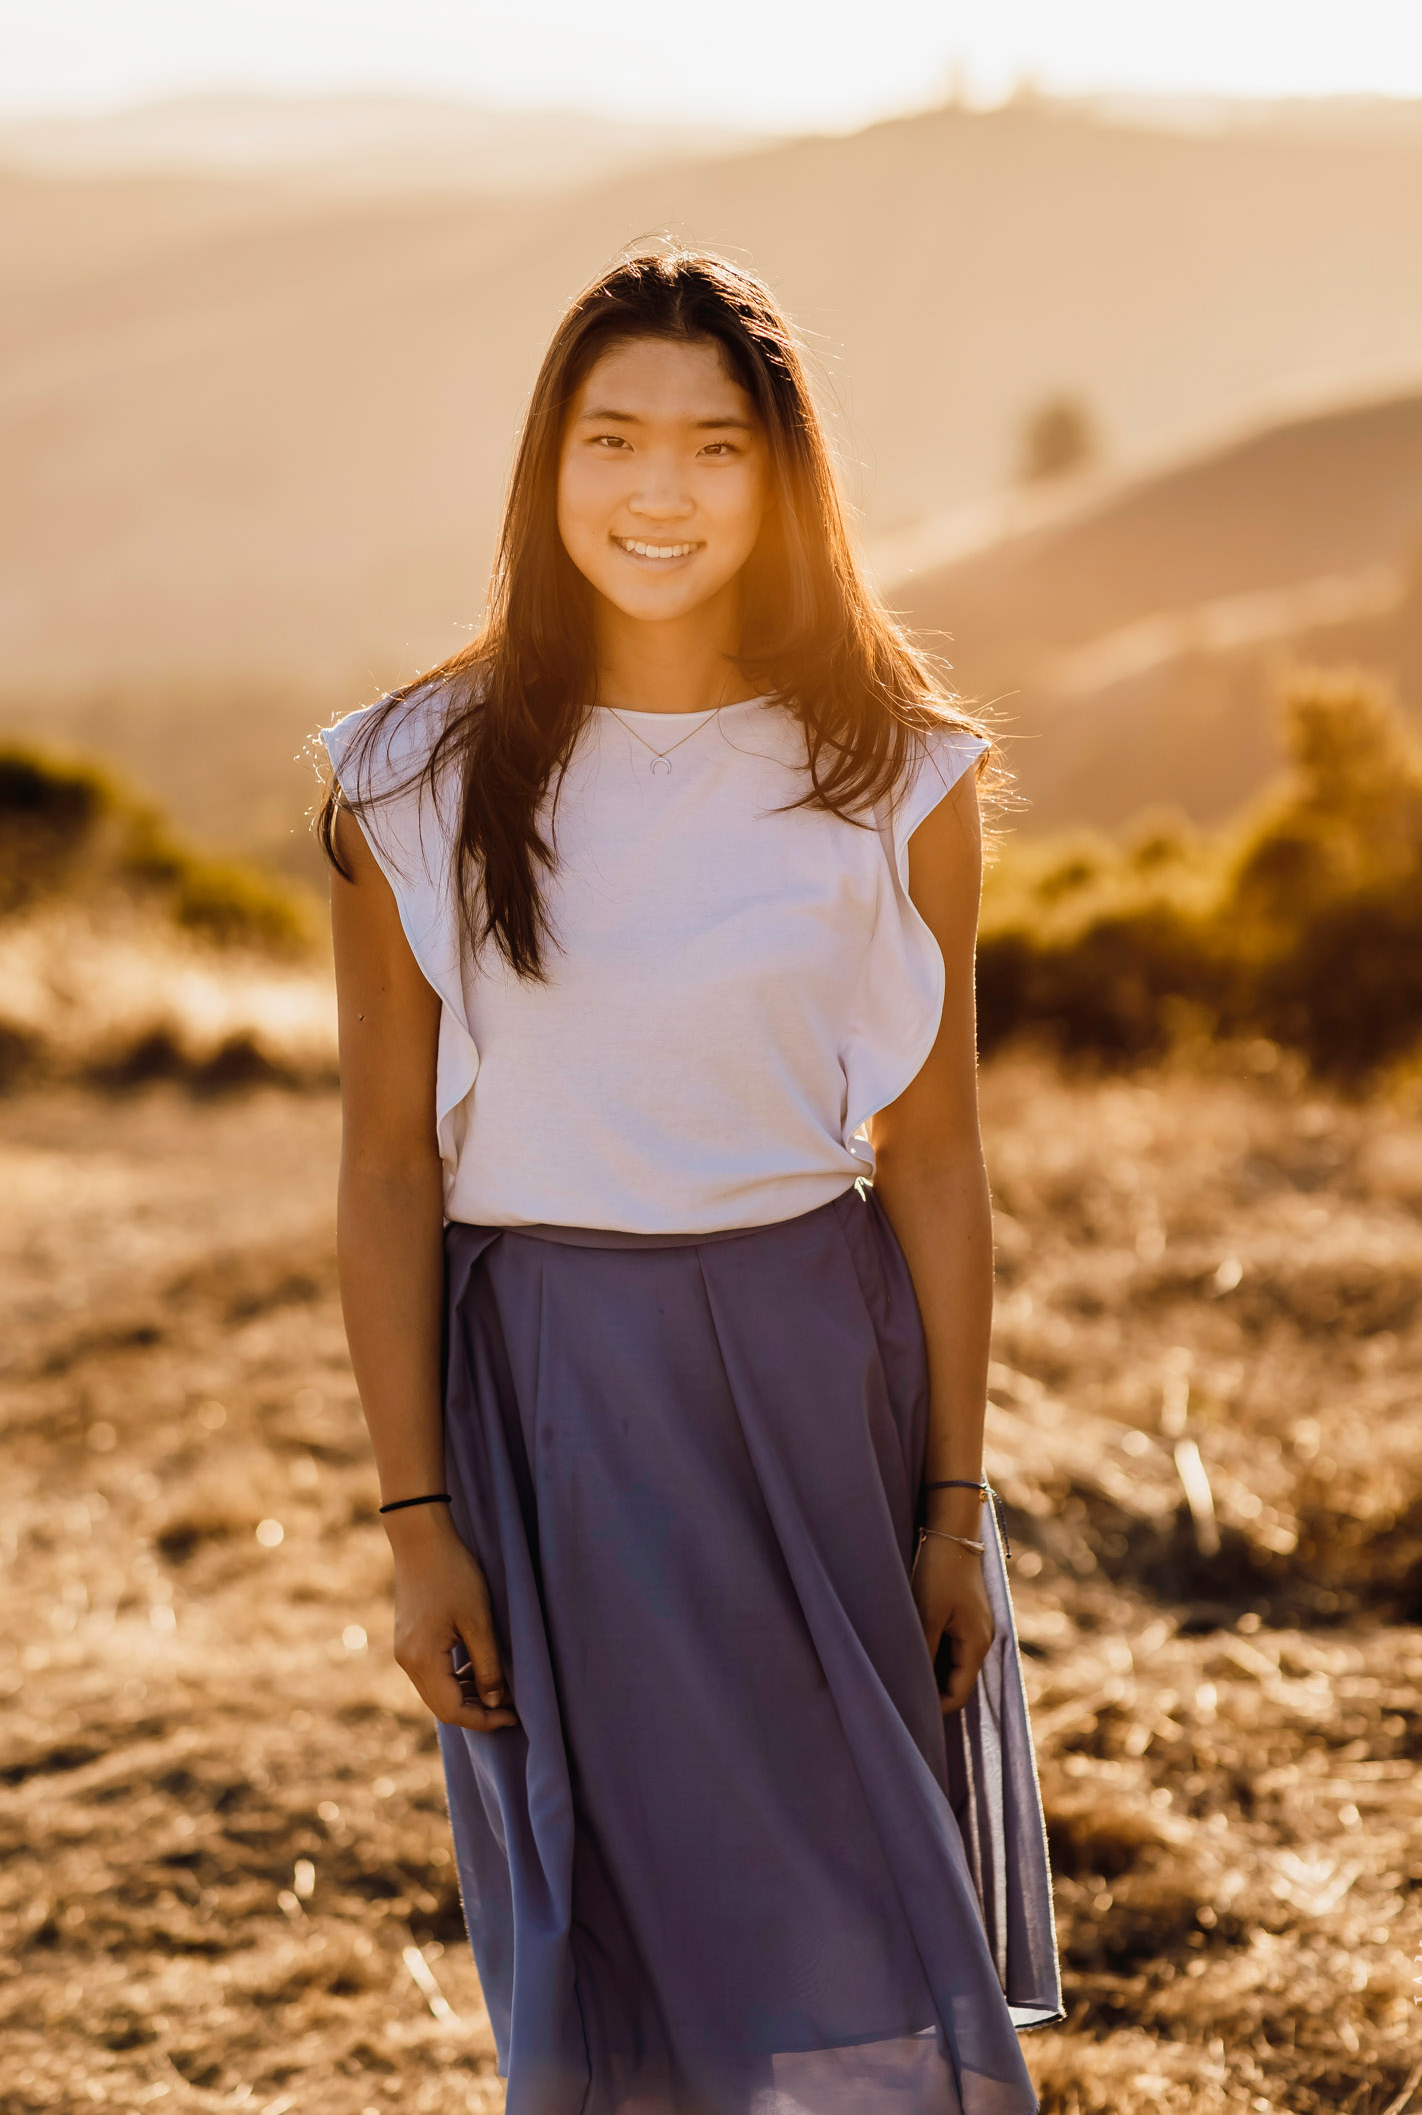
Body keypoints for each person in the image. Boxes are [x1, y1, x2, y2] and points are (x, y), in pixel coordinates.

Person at [317, 247, 1061, 2115]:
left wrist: (958, 1505)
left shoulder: (894, 770)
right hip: (549, 1398)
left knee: (848, 1909)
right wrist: (418, 1522)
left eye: (717, 449)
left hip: (816, 1378)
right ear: (544, 467)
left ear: (784, 477)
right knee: (611, 1946)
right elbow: (390, 1171)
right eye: (615, 441)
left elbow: (940, 1156)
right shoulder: (412, 774)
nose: (661, 493)